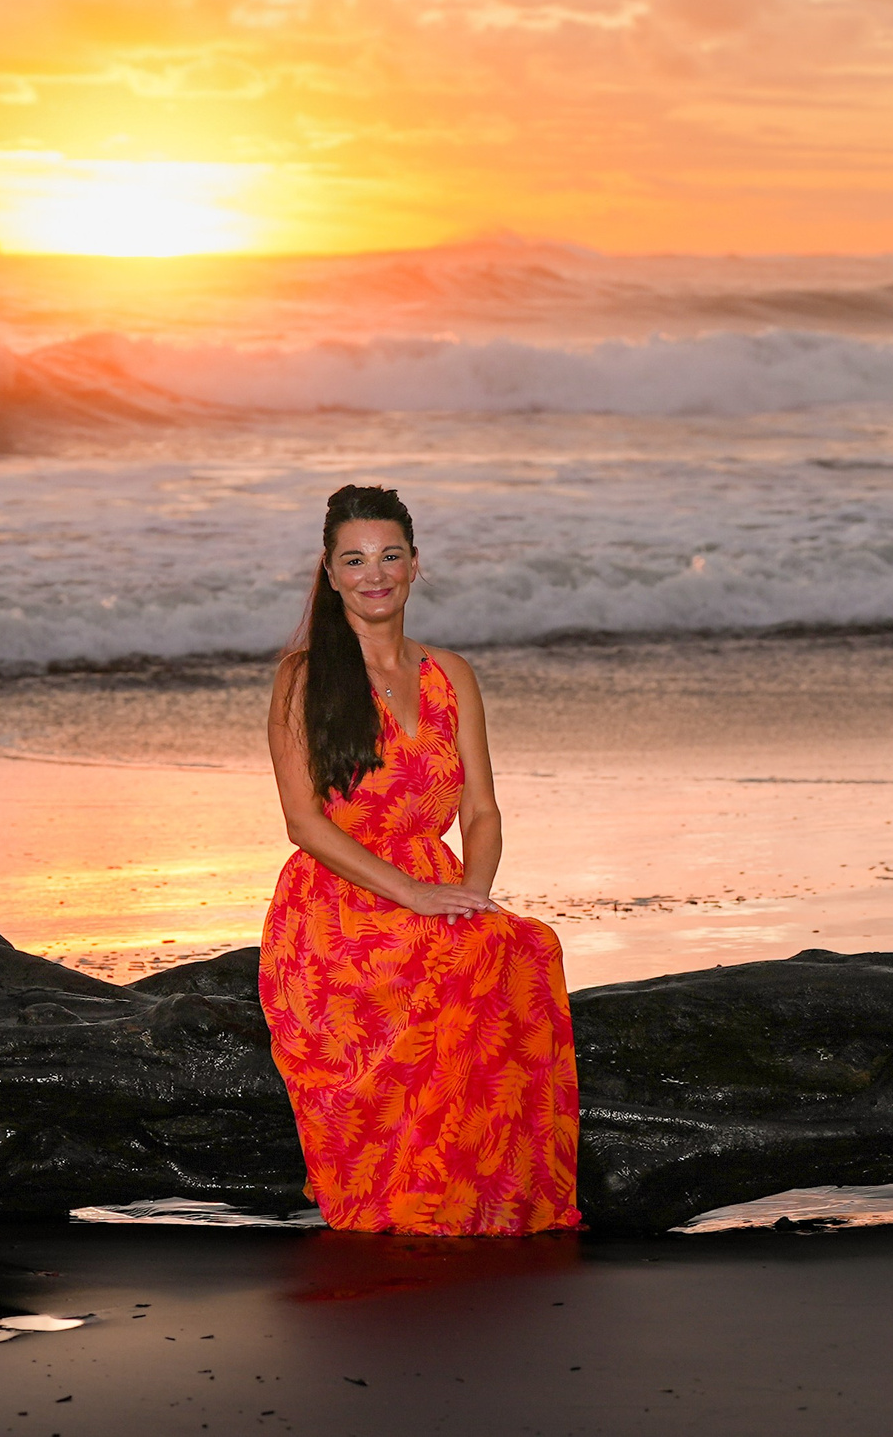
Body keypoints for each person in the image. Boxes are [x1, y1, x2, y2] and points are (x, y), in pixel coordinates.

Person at [259, 483, 583, 1234]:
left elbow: (482, 812)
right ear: (330, 573)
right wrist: (411, 895)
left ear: (415, 565)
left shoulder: (451, 674)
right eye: (355, 560)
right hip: (335, 905)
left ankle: (482, 1196)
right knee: (460, 963)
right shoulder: (302, 679)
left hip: (435, 887)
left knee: (523, 946)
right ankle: (410, 1197)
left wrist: (469, 894)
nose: (375, 574)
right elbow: (303, 822)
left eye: (390, 555)